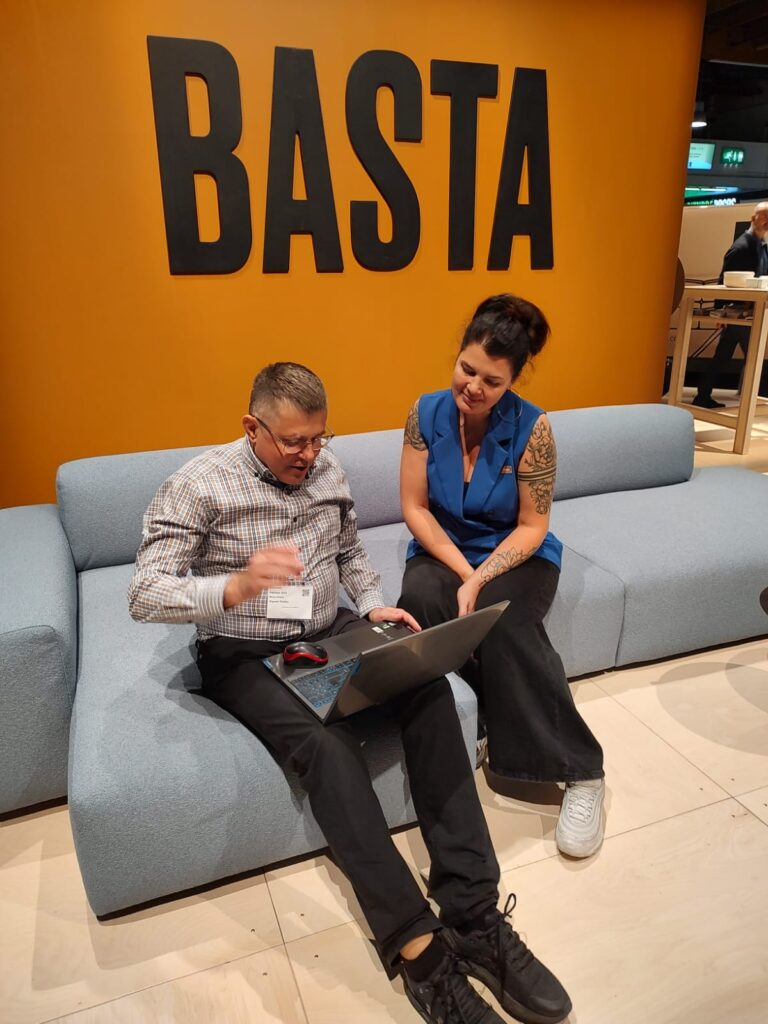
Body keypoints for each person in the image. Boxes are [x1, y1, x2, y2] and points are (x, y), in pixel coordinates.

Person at [128, 362, 572, 1024]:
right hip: (244, 649)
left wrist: (370, 605)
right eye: (293, 441)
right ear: (252, 428)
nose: (310, 454)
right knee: (327, 747)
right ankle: (422, 956)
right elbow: (144, 593)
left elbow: (348, 553)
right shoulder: (198, 485)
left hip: (329, 627)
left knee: (428, 688)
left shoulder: (326, 470)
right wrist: (234, 586)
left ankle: (474, 914)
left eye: (319, 438)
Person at [398, 295, 606, 860]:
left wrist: (481, 579)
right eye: (466, 369)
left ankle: (581, 771)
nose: (473, 387)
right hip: (446, 547)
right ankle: (481, 718)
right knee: (421, 600)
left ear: (512, 381)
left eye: (491, 381)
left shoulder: (533, 427)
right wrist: (465, 574)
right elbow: (414, 506)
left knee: (505, 620)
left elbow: (533, 526)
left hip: (516, 550)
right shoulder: (424, 413)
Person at [693, 201, 768, 409]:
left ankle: (704, 395)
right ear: (753, 218)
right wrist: (721, 313)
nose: (767, 220)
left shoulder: (759, 245)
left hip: (746, 312)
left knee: (724, 357)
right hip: (740, 313)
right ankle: (753, 398)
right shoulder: (742, 247)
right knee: (754, 357)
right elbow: (724, 279)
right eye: (764, 216)